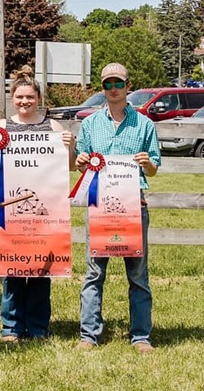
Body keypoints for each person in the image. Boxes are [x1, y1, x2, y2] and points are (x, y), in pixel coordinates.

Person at [0, 69, 75, 342]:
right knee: (12, 268)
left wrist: (70, 146)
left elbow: (69, 167)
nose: (24, 102)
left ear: (39, 98)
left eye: (30, 97)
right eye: (20, 97)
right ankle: (11, 327)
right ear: (12, 98)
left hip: (45, 211)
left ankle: (37, 327)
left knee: (42, 270)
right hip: (10, 212)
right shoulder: (1, 127)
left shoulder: (54, 127)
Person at [75, 62, 160, 354]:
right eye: (107, 84)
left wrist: (148, 164)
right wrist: (80, 161)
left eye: (118, 83)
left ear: (128, 86)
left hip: (134, 207)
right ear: (102, 88)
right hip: (100, 208)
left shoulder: (145, 124)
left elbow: (154, 169)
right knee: (94, 273)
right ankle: (89, 334)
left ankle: (141, 336)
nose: (113, 89)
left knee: (138, 275)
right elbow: (81, 162)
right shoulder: (89, 124)